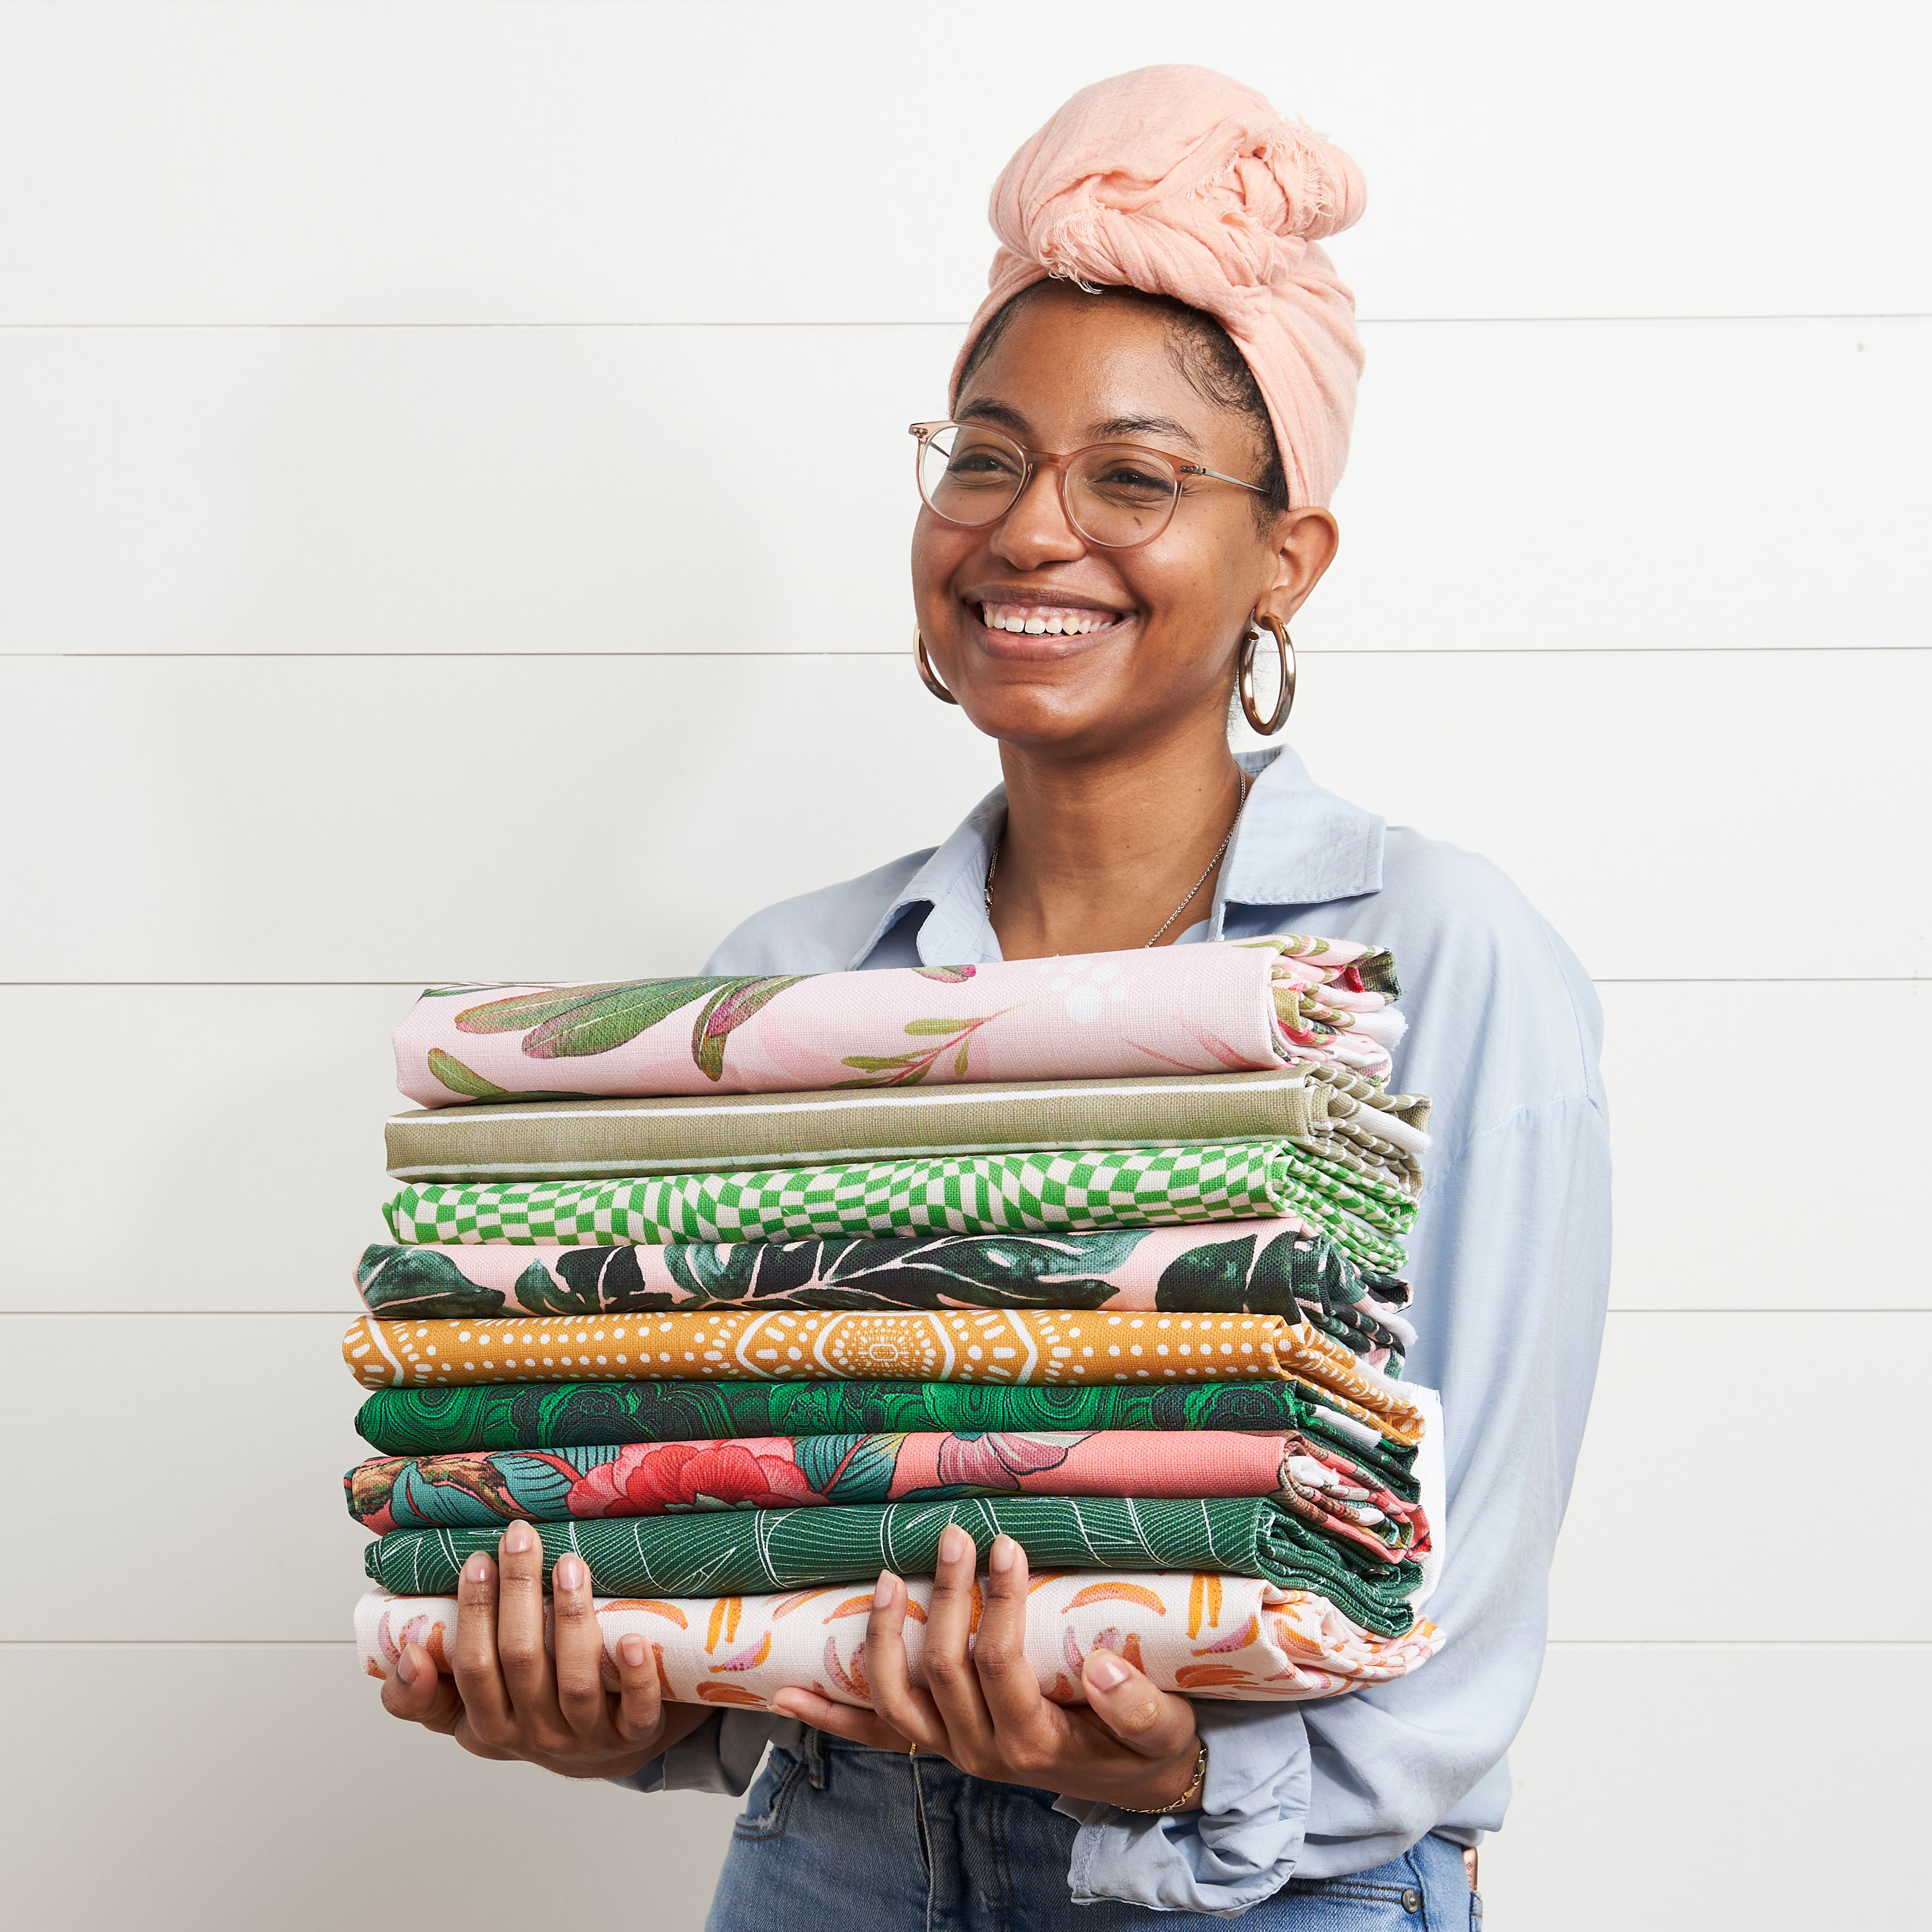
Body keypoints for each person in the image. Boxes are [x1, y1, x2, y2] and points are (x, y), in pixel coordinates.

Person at [378, 66, 1609, 1928]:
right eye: (981, 453)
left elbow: (1472, 1563)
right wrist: (609, 1691)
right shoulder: (783, 985)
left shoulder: (1431, 954)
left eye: (1132, 475)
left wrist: (1194, 1770)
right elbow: (722, 1540)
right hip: (840, 1863)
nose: (1031, 528)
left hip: (1265, 1888)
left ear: (1288, 560)